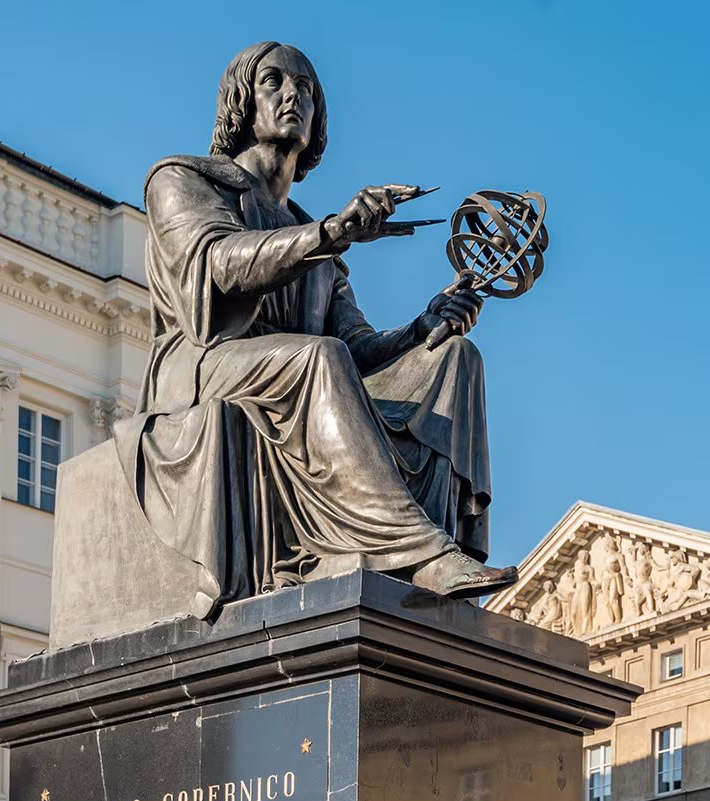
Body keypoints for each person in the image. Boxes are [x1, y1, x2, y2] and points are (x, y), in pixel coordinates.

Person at [115, 41, 514, 613]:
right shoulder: (182, 180)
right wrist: (331, 233)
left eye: (305, 88)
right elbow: (221, 265)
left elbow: (358, 346)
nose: (292, 96)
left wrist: (422, 328)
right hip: (202, 362)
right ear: (241, 102)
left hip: (295, 367)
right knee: (317, 355)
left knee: (455, 358)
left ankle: (436, 554)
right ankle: (418, 552)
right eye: (273, 82)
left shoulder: (314, 233)